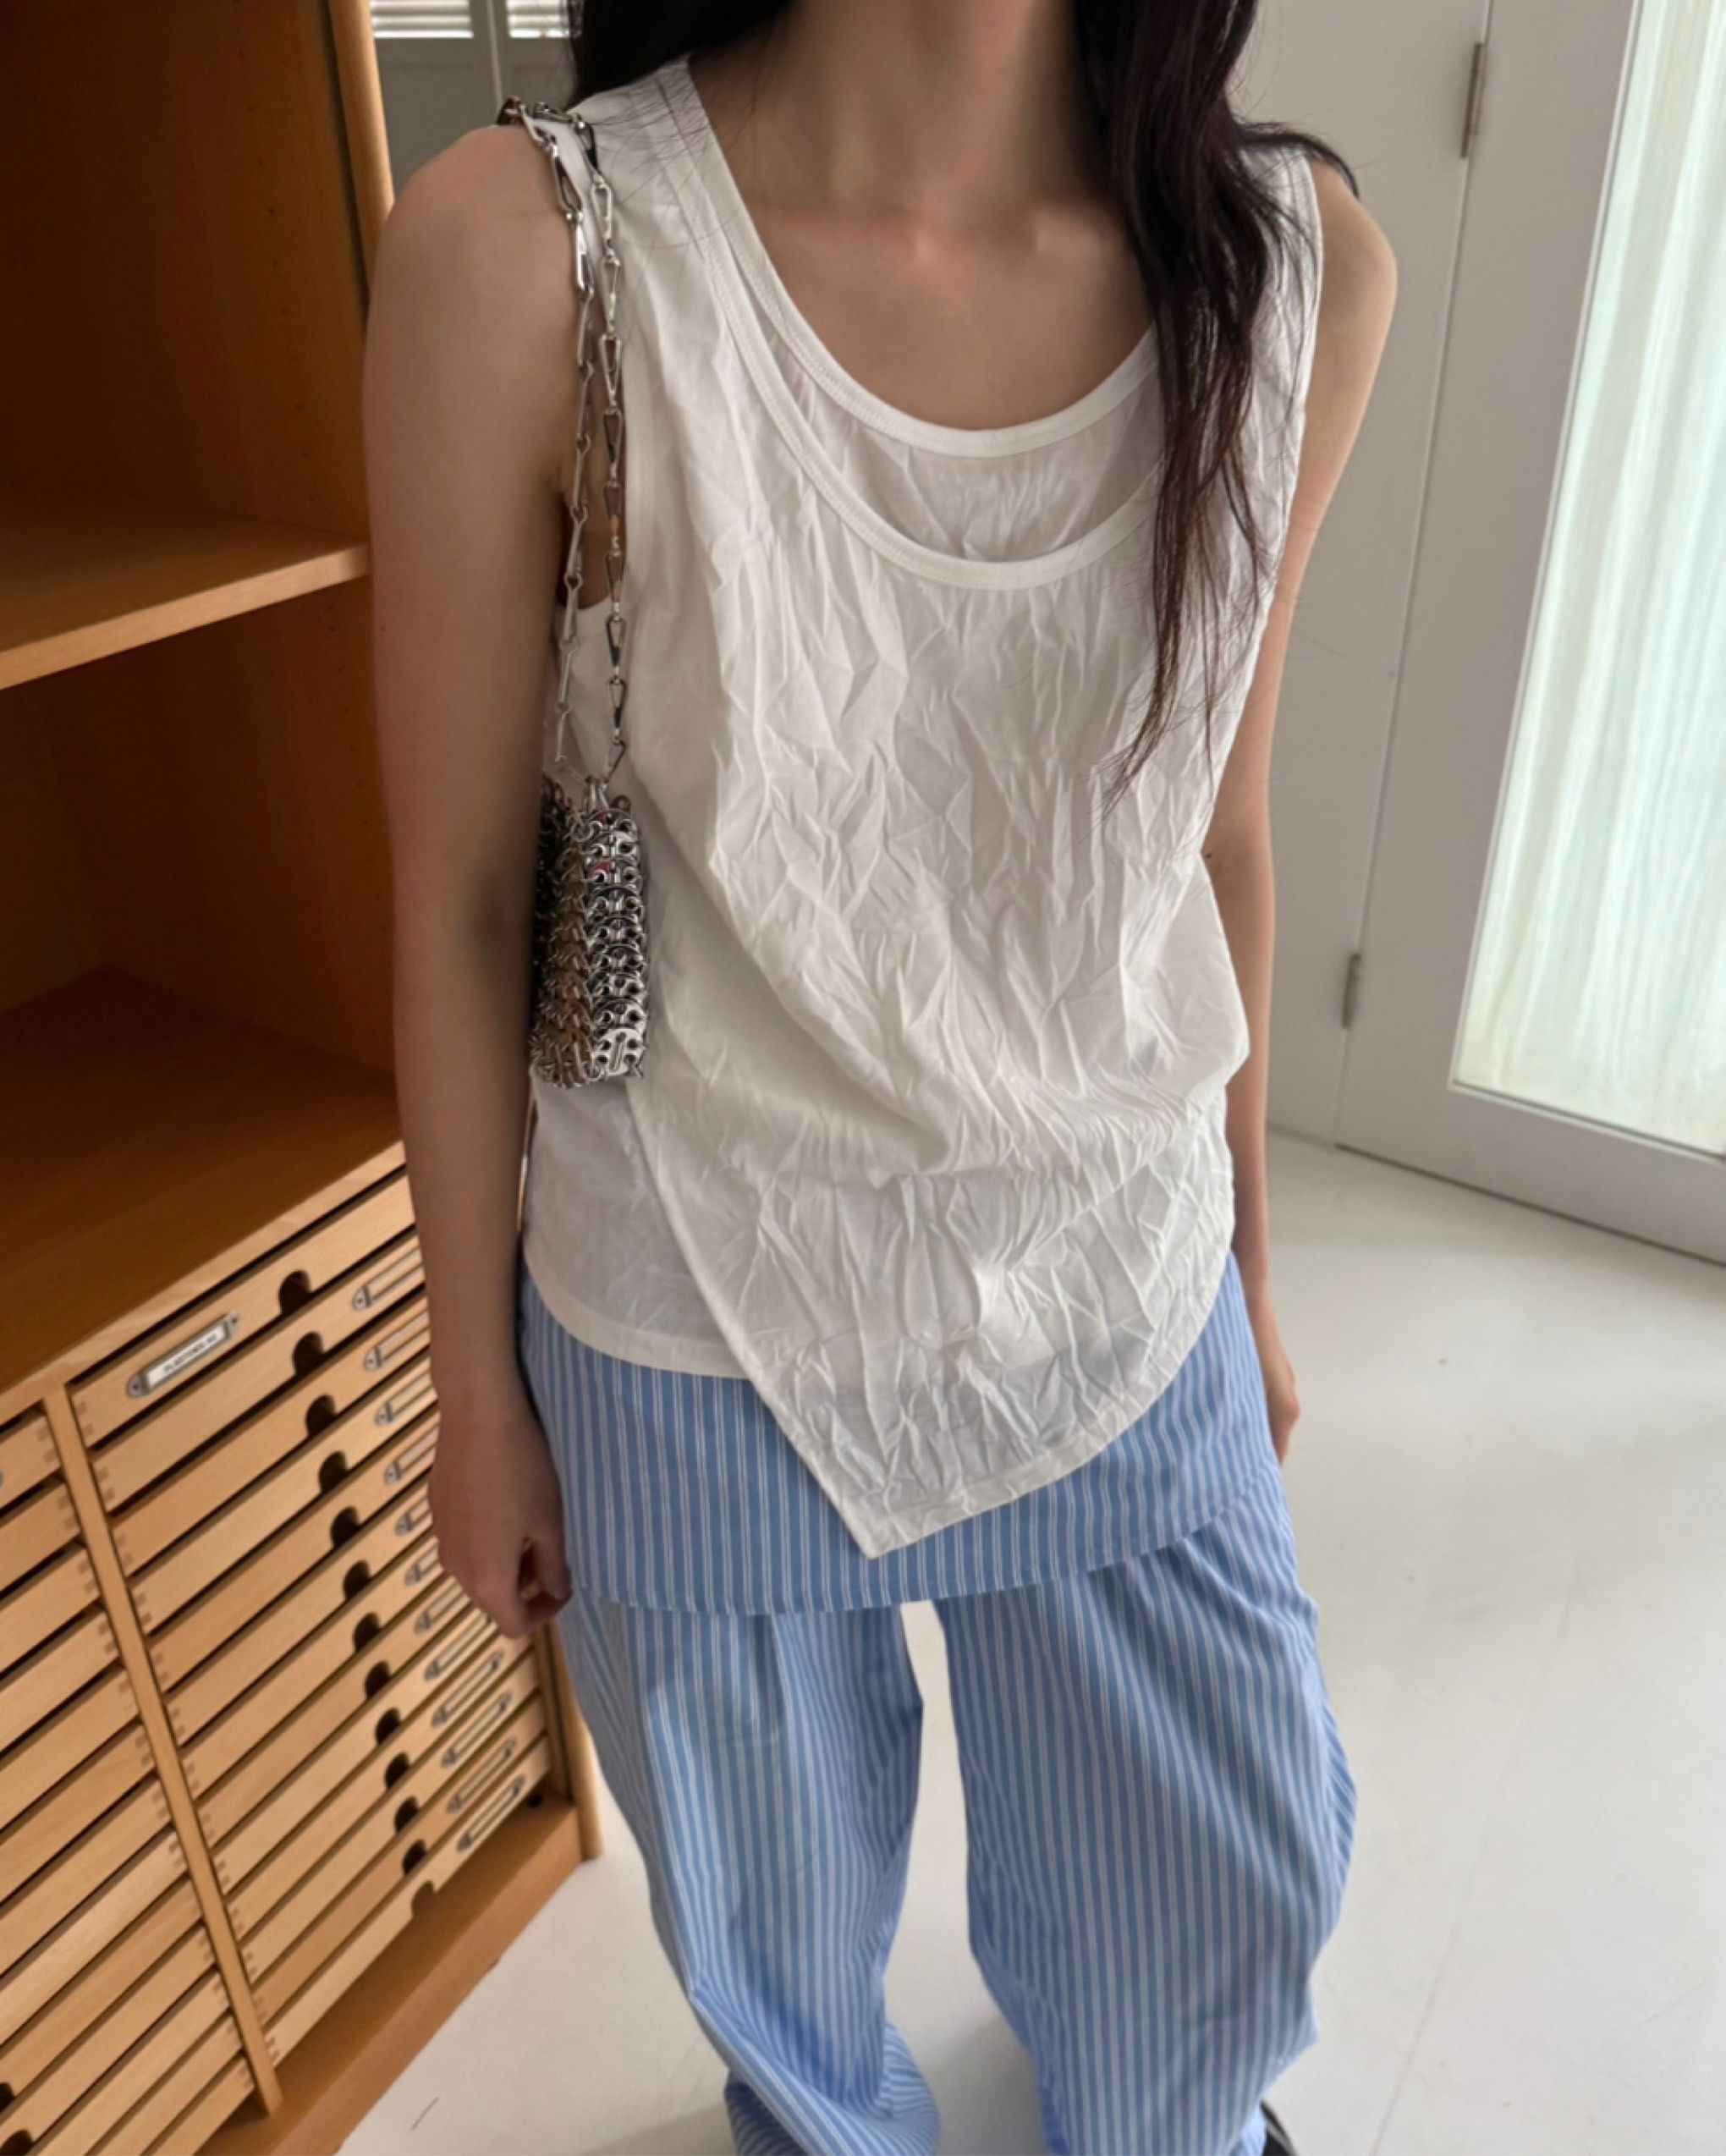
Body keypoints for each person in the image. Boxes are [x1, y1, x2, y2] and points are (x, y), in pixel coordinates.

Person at [363, 3, 1395, 2151]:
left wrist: (1252, 1273)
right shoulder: (527, 255)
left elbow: (1213, 833)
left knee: (1227, 1880)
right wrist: (472, 1389)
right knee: (775, 1946)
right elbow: (459, 898)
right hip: (688, 1304)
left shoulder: (1290, 265)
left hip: (1114, 1274)